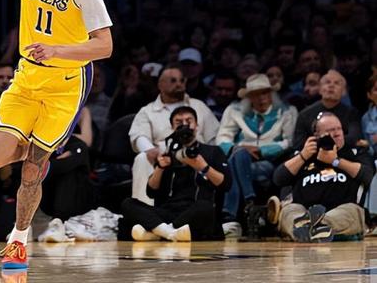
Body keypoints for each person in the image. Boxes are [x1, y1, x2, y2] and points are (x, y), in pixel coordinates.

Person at [0, 0, 113, 270]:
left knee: (31, 170)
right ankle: (38, 145)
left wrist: (58, 50)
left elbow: (104, 46)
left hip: (66, 83)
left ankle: (18, 239)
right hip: (28, 77)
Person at [121, 106, 230, 242]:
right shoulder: (169, 154)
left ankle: (158, 231)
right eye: (179, 122)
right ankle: (171, 232)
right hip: (168, 211)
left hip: (194, 211)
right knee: (128, 204)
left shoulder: (213, 151)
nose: (184, 125)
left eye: (188, 121)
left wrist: (203, 167)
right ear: (172, 128)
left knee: (205, 207)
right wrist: (160, 168)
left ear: (197, 125)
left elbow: (226, 184)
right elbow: (151, 192)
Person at [216, 73, 298, 237]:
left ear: (271, 93)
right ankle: (250, 202)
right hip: (241, 159)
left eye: (265, 93)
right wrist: (240, 148)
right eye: (255, 94)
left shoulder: (287, 112)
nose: (261, 98)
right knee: (239, 155)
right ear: (248, 98)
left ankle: (230, 216)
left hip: (269, 162)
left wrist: (262, 150)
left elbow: (289, 142)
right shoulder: (234, 111)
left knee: (232, 168)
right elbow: (222, 139)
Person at [273, 112, 373, 242]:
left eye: (339, 129)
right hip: (303, 210)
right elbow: (278, 179)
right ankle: (313, 228)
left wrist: (336, 161)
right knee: (289, 210)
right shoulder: (304, 154)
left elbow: (369, 176)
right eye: (330, 130)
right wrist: (303, 156)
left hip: (341, 211)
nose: (337, 133)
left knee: (353, 211)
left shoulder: (355, 152)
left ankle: (310, 226)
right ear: (317, 136)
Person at [129, 65, 219, 205]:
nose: (179, 84)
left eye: (181, 80)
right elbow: (139, 135)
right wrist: (150, 150)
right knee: (142, 158)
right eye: (173, 80)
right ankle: (144, 209)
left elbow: (214, 136)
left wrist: (211, 155)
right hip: (164, 155)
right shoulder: (148, 111)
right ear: (160, 84)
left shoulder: (198, 106)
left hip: (196, 154)